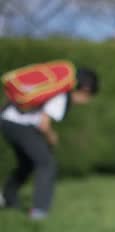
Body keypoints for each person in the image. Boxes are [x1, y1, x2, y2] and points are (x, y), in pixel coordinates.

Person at [0, 66, 99, 220]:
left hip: (7, 121)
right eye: (89, 97)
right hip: (19, 125)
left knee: (27, 164)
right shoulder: (62, 96)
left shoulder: (55, 91)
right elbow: (44, 124)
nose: (87, 102)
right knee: (47, 164)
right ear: (85, 91)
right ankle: (39, 212)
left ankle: (7, 198)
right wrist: (52, 137)